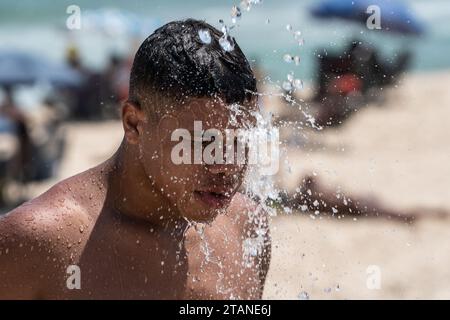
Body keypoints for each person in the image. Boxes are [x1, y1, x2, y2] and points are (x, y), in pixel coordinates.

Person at [0, 19, 271, 299]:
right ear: (133, 124)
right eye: (203, 141)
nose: (227, 165)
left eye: (242, 140)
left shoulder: (247, 226)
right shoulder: (37, 242)